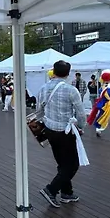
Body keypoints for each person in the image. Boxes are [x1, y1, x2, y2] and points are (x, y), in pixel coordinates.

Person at [38, 60, 88, 208]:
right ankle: (51, 190)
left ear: (53, 71)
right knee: (72, 164)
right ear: (68, 73)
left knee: (62, 162)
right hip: (65, 131)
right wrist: (81, 127)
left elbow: (39, 109)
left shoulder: (43, 88)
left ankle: (67, 192)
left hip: (49, 129)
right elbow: (81, 114)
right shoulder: (71, 90)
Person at [87, 69, 110, 137]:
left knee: (101, 117)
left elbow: (100, 95)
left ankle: (98, 129)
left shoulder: (102, 88)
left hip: (103, 105)